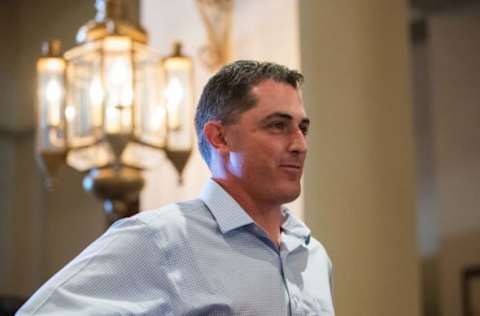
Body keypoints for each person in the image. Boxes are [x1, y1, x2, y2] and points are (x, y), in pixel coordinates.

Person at [17, 60, 334, 315]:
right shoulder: (158, 239)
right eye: (278, 126)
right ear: (219, 138)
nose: (300, 144)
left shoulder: (312, 255)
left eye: (302, 128)